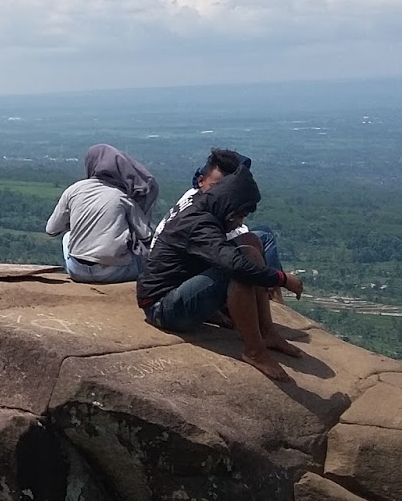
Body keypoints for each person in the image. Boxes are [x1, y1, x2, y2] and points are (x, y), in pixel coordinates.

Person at [137, 165, 306, 382]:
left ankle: (267, 332)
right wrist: (282, 279)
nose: (240, 222)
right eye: (240, 216)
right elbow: (235, 266)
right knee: (240, 269)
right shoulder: (199, 223)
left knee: (251, 245)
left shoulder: (206, 208)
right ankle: (255, 351)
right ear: (230, 208)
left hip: (180, 290)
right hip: (162, 307)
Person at [154, 148, 285, 294]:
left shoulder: (197, 199)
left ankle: (270, 295)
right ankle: (274, 297)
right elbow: (229, 254)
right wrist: (281, 278)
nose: (221, 191)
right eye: (216, 186)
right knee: (251, 248)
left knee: (256, 239)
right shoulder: (200, 213)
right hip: (176, 275)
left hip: (177, 260)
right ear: (201, 181)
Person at [45, 144, 160, 284]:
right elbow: (147, 235)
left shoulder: (73, 191)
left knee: (68, 236)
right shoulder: (121, 197)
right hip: (115, 272)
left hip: (77, 271)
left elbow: (51, 230)